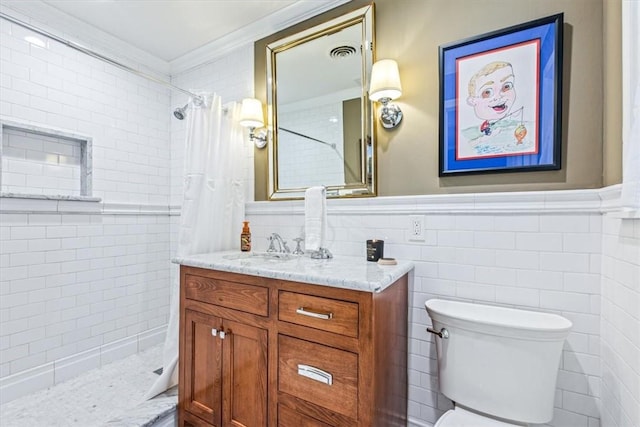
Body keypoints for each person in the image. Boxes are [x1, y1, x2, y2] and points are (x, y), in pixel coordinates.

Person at [466, 61, 516, 137]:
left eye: (506, 86)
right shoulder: (468, 134)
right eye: (487, 92)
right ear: (472, 101)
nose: (499, 96)